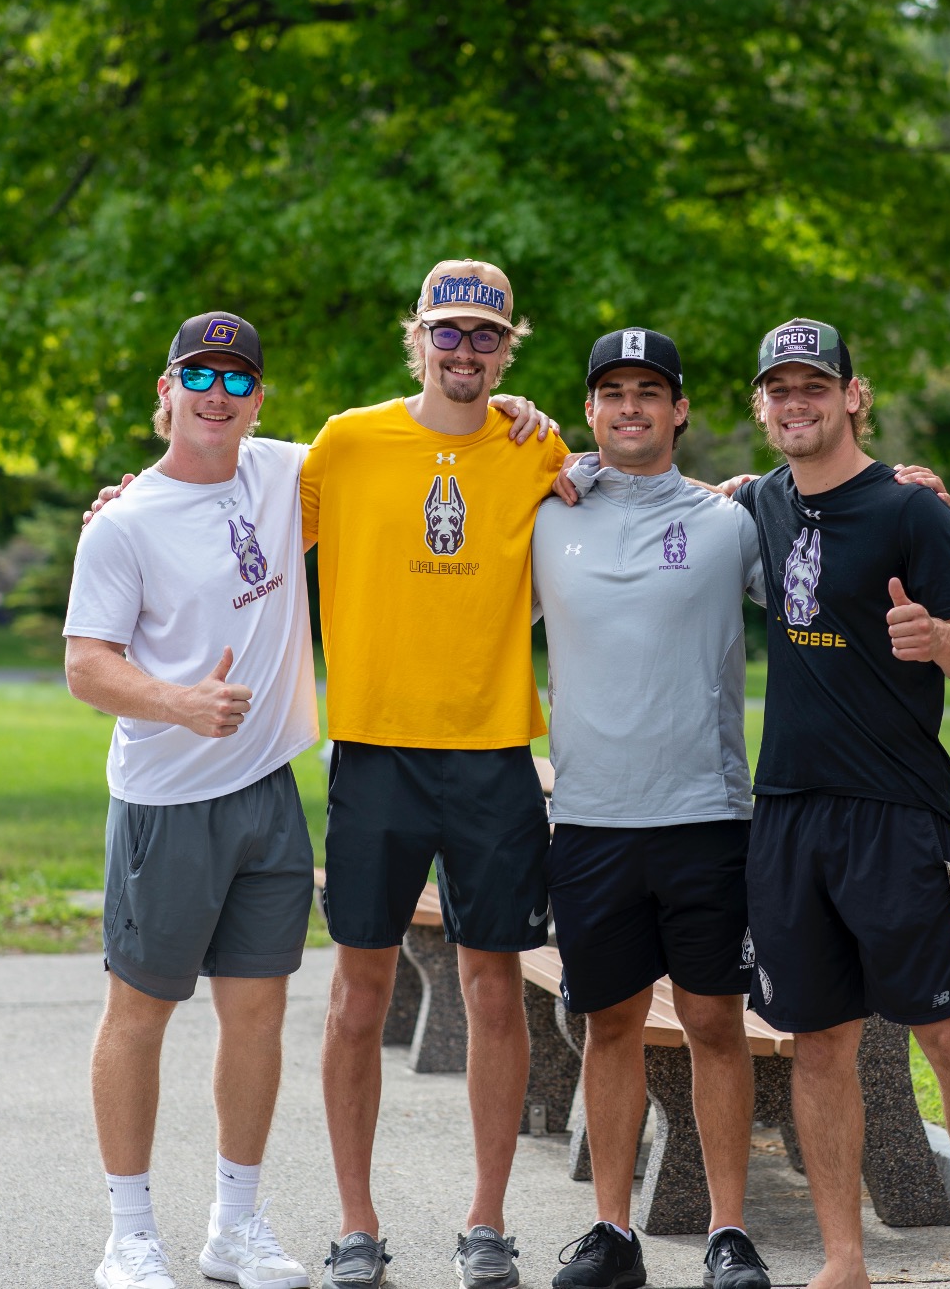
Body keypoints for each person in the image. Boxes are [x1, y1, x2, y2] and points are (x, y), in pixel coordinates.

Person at [535, 329, 950, 1289]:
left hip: (710, 816)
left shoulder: (733, 522)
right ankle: (612, 1234)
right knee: (608, 1023)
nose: (631, 407)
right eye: (612, 393)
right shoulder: (545, 517)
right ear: (589, 412)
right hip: (591, 817)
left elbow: (831, 564)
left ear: (681, 410)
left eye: (651, 391)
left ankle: (729, 1234)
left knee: (717, 1024)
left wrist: (902, 499)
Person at [302, 260, 570, 1289]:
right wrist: (129, 494)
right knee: (356, 992)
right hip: (373, 749)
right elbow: (244, 514)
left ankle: (486, 1222)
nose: (465, 352)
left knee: (492, 988)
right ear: (414, 337)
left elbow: (629, 481)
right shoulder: (349, 439)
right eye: (447, 333)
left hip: (493, 752)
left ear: (508, 347)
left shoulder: (533, 443)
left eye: (485, 338)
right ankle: (357, 1225)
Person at [733, 319, 950, 1289]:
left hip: (896, 815)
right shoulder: (756, 503)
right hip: (788, 814)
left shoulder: (908, 509)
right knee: (817, 1042)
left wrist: (935, 634)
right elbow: (658, 488)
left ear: (853, 394)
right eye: (779, 389)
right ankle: (843, 1260)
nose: (796, 402)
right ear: (759, 406)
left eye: (815, 385)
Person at [64, 312, 318, 1289]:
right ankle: (128, 1234)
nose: (217, 394)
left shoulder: (289, 473)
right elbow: (87, 666)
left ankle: (235, 1227)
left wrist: (515, 412)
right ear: (164, 392)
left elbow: (411, 433)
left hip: (268, 793)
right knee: (139, 1013)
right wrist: (179, 701)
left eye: (237, 379)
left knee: (256, 1014)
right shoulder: (124, 522)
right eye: (198, 376)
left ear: (258, 400)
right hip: (165, 804)